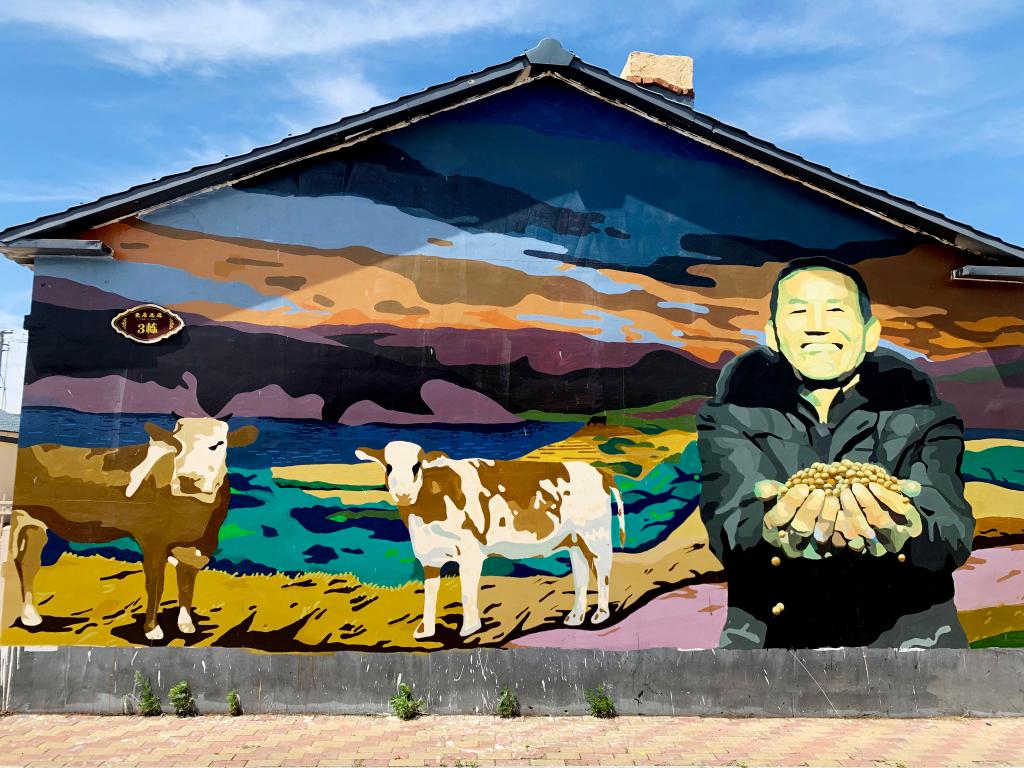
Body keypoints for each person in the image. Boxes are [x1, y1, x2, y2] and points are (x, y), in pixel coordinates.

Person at [697, 256, 975, 649]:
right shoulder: (730, 415)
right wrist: (771, 527)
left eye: (835, 310)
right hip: (772, 643)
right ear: (773, 335)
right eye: (798, 311)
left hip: (912, 643)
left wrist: (908, 529)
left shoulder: (926, 415)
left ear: (870, 334)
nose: (817, 325)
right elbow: (728, 525)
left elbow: (952, 529)